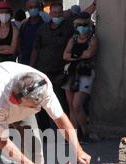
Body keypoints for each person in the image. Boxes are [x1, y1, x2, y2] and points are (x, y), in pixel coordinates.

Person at [32, 1, 97, 130]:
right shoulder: (43, 29)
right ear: (50, 13)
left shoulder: (68, 26)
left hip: (61, 73)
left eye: (60, 13)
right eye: (55, 13)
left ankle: (73, 133)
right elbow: (36, 49)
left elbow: (84, 15)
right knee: (42, 104)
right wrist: (32, 67)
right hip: (44, 71)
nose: (57, 15)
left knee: (65, 106)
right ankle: (48, 131)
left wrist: (95, 4)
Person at [62, 12, 97, 143]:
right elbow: (65, 55)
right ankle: (74, 135)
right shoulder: (73, 39)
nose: (82, 27)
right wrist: (78, 55)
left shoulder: (93, 39)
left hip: (85, 73)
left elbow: (89, 53)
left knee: (77, 105)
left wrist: (74, 55)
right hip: (71, 72)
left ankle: (85, 132)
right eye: (79, 25)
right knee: (71, 106)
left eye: (84, 24)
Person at [18, 0, 44, 66]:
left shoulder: (44, 26)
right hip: (24, 62)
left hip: (39, 64)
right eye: (31, 7)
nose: (33, 9)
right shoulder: (24, 25)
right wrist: (20, 56)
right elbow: (19, 41)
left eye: (35, 7)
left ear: (39, 8)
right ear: (27, 9)